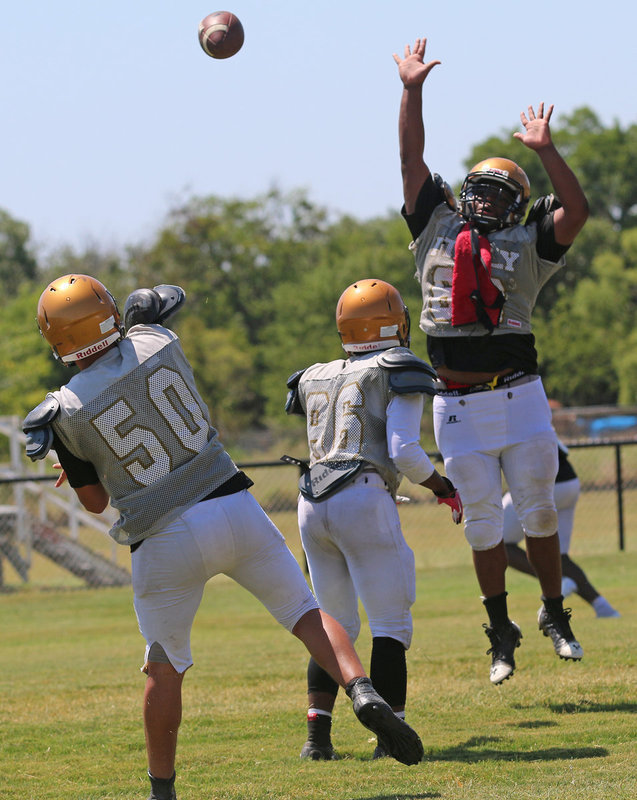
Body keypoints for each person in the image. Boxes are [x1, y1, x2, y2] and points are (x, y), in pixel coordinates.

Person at [23, 275, 425, 800]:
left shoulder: (64, 411)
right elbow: (151, 321)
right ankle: (362, 691)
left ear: (56, 340)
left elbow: (95, 501)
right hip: (229, 502)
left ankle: (162, 790)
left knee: (164, 665)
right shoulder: (157, 340)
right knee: (306, 613)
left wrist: (83, 459)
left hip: (160, 535)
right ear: (109, 314)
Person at [394, 37, 590, 685]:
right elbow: (411, 160)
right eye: (478, 190)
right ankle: (500, 630)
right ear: (462, 193)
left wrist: (546, 151)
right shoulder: (435, 226)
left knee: (538, 510)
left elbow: (577, 210)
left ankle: (554, 612)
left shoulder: (530, 241)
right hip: (455, 402)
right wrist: (411, 90)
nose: (485, 202)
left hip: (520, 392)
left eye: (500, 194)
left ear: (518, 204)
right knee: (481, 523)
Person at [285, 278, 463, 760]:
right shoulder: (397, 366)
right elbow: (404, 451)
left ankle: (317, 739)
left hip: (311, 501)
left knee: (333, 624)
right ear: (395, 323)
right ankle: (390, 737)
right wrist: (442, 487)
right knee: (390, 622)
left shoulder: (316, 374)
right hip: (362, 495)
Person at [503, 440, 620, 618]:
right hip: (568, 482)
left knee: (498, 544)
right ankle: (603, 608)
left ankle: (559, 580)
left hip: (540, 485)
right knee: (560, 555)